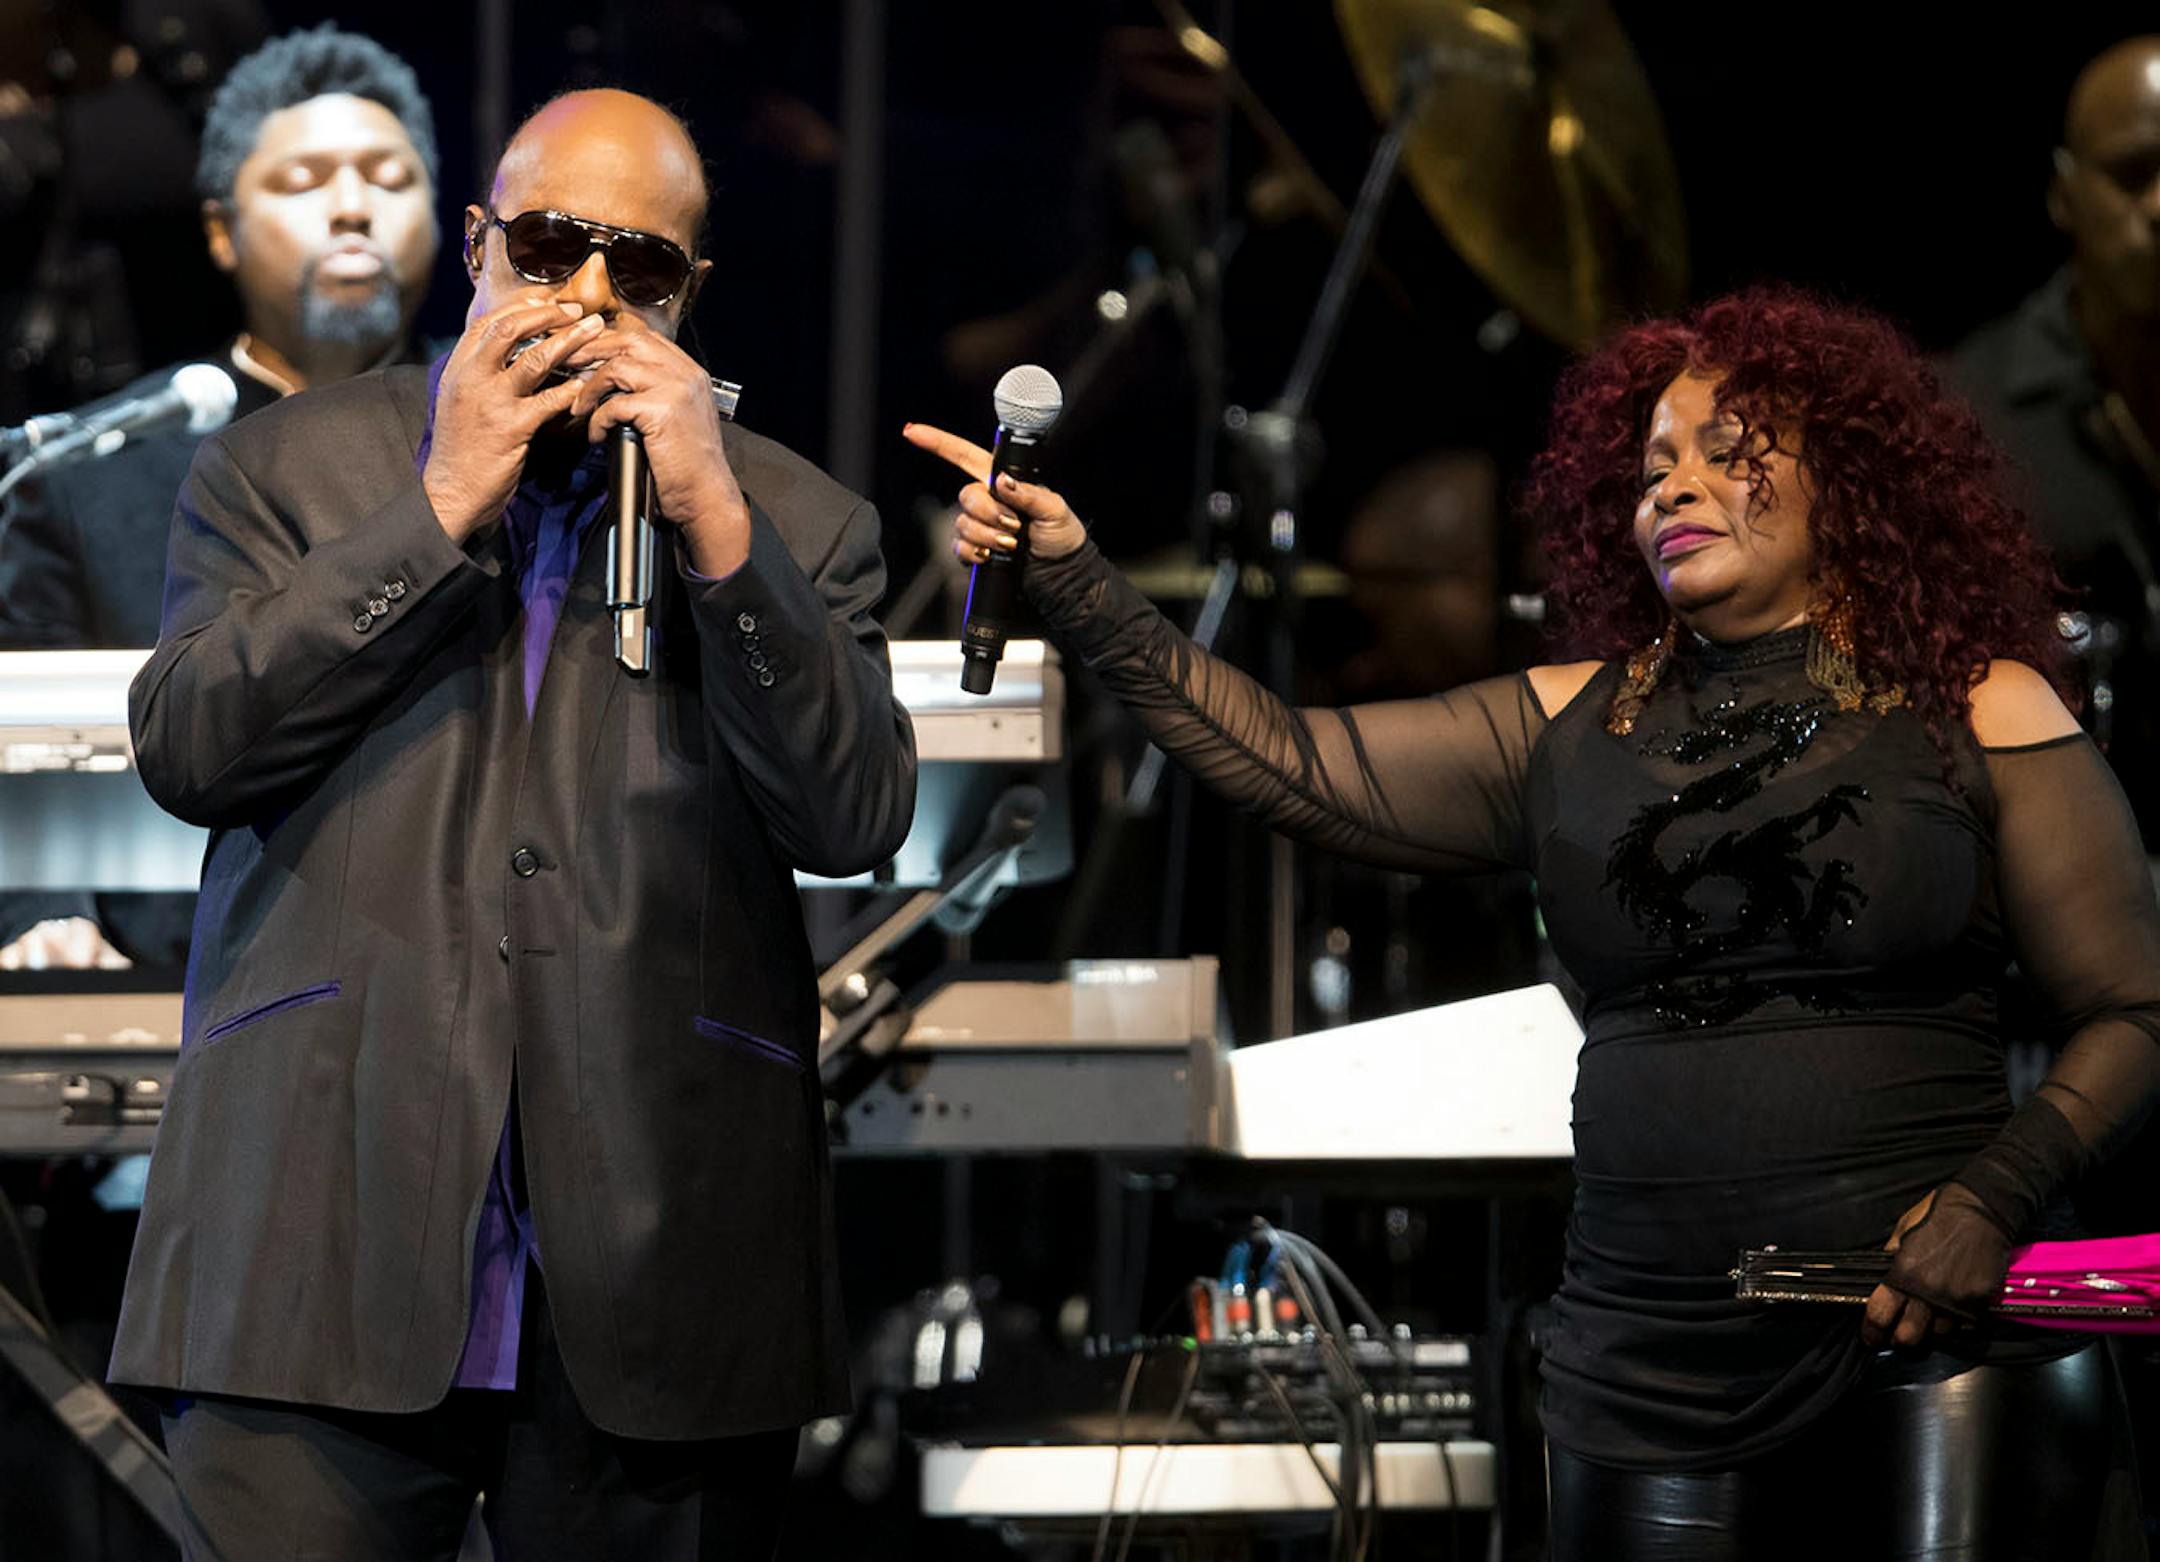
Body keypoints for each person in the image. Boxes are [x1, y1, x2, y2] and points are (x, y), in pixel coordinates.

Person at [910, 287, 2160, 1559]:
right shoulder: (1575, 720)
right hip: (1646, 1357)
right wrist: (1076, 579)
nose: (1673, 487)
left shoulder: (1974, 705)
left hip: (1923, 1334)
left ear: (1848, 477)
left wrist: (1991, 1203)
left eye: (1726, 452)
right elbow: (1287, 759)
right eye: (1654, 465)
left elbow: (2135, 1008)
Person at [110, 87, 916, 1560]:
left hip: (659, 1272)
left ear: (691, 299)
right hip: (313, 1250)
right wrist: (434, 509)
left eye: (642, 268)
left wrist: (720, 535)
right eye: (550, 248)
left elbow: (854, 808)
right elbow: (185, 744)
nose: (591, 296)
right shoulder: (282, 472)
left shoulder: (798, 521)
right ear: (478, 249)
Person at [0, 23, 439, 652]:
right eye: (303, 180)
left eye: (391, 178)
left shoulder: (514, 424)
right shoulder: (88, 476)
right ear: (221, 231)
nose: (353, 206)